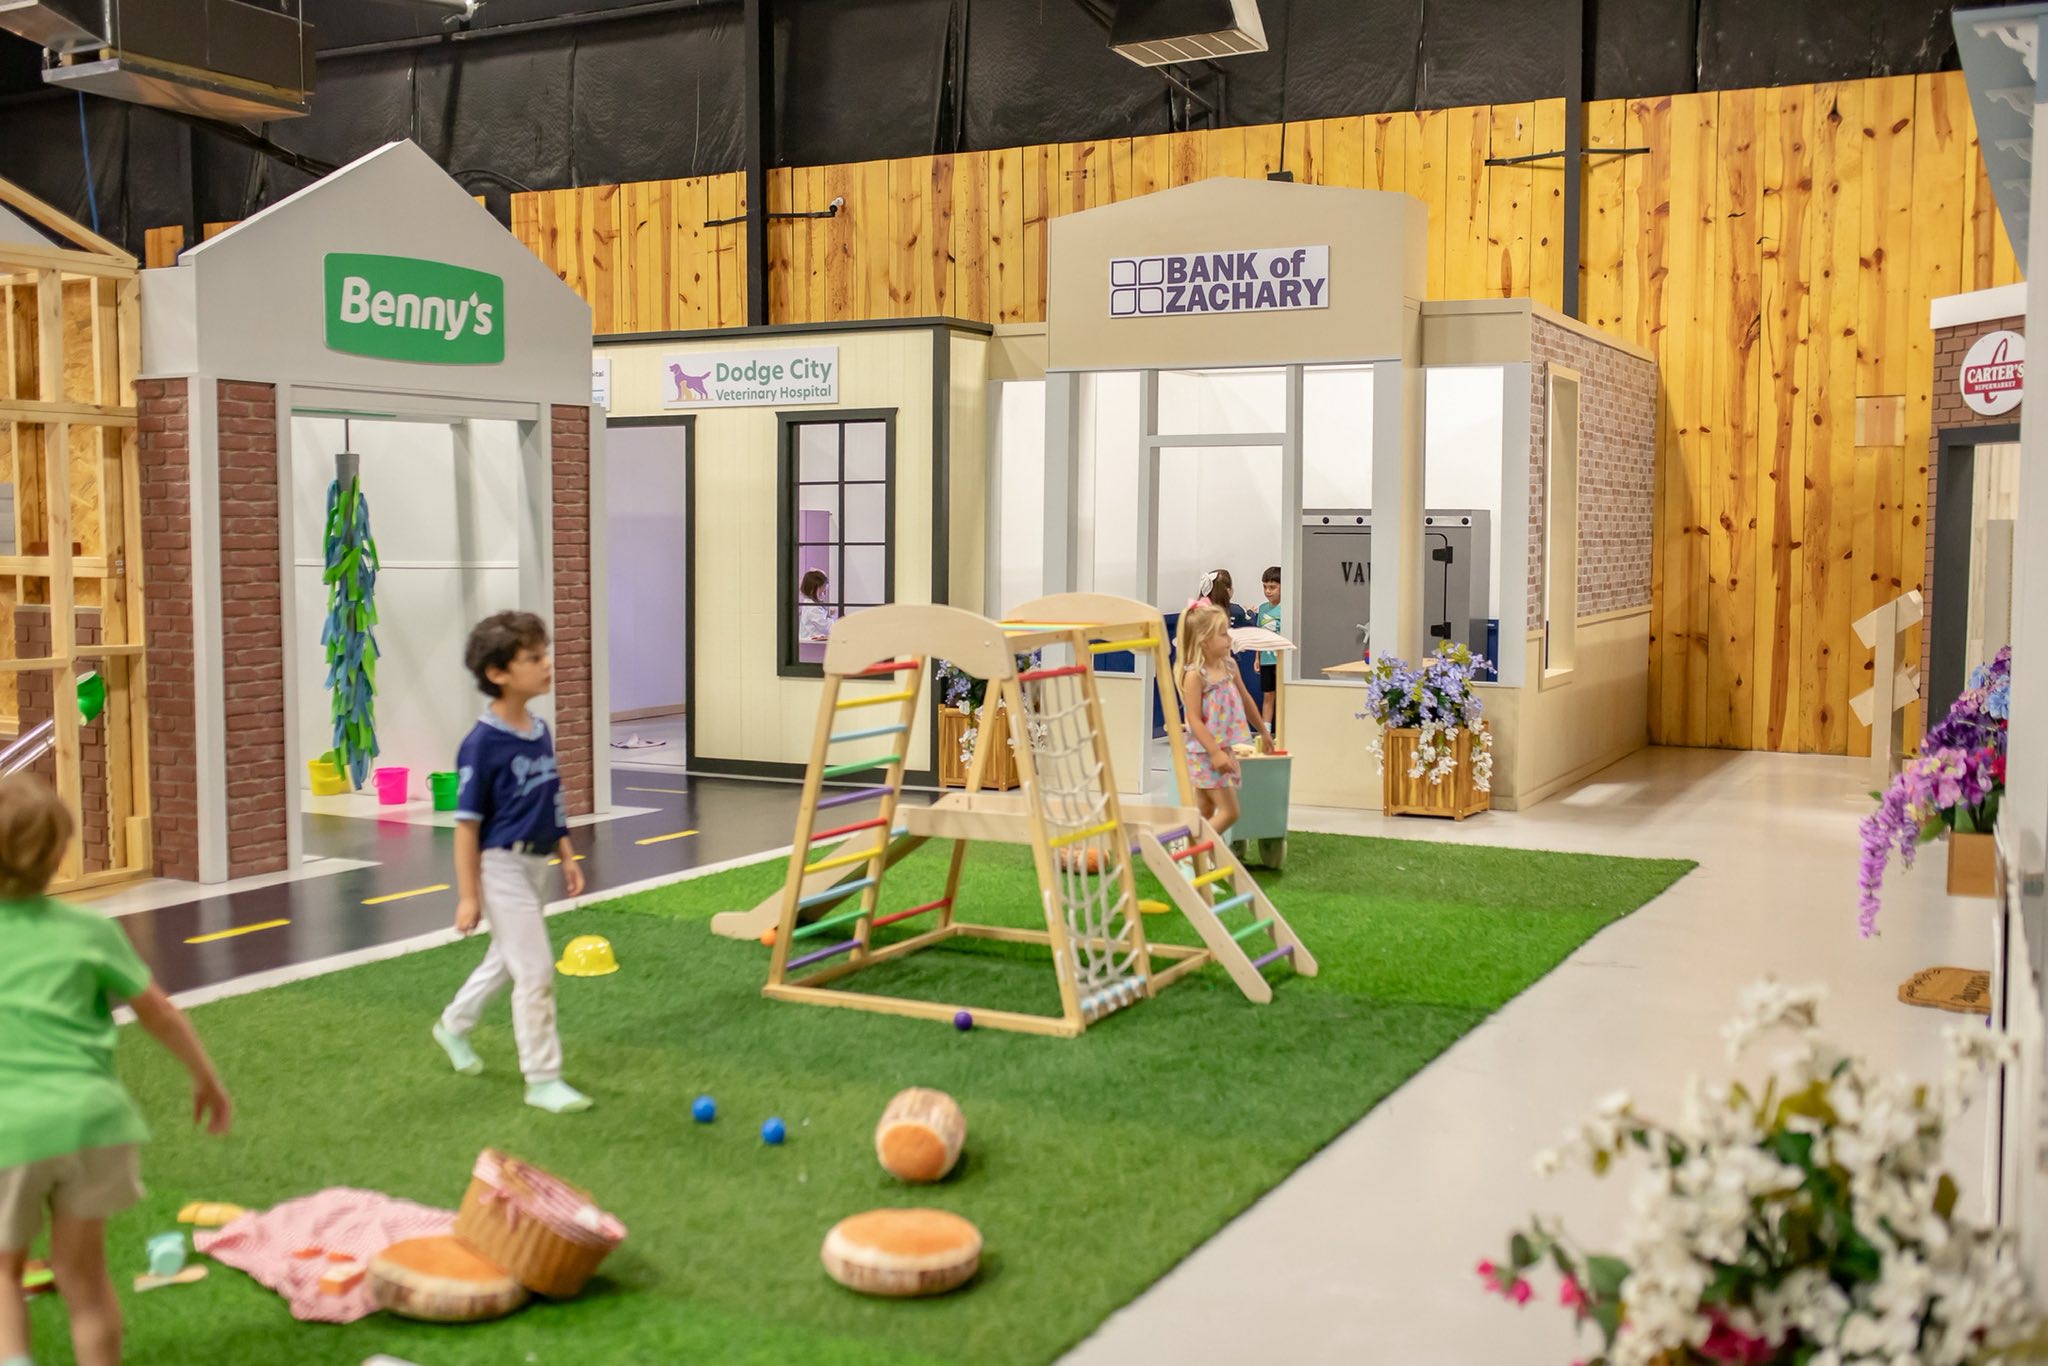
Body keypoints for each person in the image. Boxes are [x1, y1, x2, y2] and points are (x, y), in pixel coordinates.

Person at [0, 775, 232, 1366]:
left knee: (3, 1268)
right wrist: (206, 1077)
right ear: (57, 855)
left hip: (10, 1131)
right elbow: (158, 1012)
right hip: (94, 1122)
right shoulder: (92, 931)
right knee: (85, 1279)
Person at [433, 611, 593, 1115]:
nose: (547, 665)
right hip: (501, 867)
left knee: (507, 958)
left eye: (545, 654)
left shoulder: (540, 729)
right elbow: (466, 827)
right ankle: (543, 1079)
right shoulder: (480, 746)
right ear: (498, 673)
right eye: (533, 658)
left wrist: (565, 853)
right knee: (536, 970)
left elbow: (552, 797)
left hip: (537, 864)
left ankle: (453, 1025)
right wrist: (469, 895)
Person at [1177, 603, 1274, 838]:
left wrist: (1263, 730)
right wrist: (1214, 752)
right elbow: (1194, 720)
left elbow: (1246, 699)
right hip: (1204, 753)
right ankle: (1201, 850)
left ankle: (1193, 853)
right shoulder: (1195, 675)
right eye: (1222, 634)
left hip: (1223, 748)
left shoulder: (1228, 666)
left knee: (1206, 810)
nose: (1229, 639)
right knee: (1230, 812)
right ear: (1204, 641)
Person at [1256, 565, 1283, 731]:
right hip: (1266, 659)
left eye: (1272, 587)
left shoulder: (1286, 608)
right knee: (1268, 694)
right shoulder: (1262, 609)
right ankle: (1265, 730)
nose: (1268, 591)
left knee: (1283, 694)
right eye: (1265, 587)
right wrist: (1257, 658)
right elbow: (1259, 634)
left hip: (1281, 659)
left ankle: (1283, 729)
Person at [797, 568, 836, 642]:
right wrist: (832, 617)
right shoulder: (812, 607)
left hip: (812, 641)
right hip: (811, 643)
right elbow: (826, 627)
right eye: (823, 591)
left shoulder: (811, 604)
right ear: (813, 590)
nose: (824, 594)